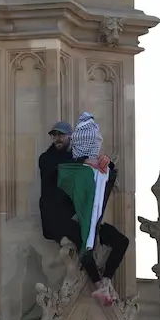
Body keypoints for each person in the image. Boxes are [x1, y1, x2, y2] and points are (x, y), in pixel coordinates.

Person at [39, 121, 129, 306]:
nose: (57, 138)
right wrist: (86, 161)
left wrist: (106, 162)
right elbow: (61, 165)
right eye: (54, 135)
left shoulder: (77, 158)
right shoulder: (47, 158)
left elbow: (107, 172)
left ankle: (105, 280)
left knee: (121, 241)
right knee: (84, 239)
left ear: (71, 137)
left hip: (80, 217)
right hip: (55, 219)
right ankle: (98, 285)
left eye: (61, 135)